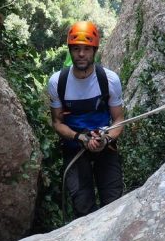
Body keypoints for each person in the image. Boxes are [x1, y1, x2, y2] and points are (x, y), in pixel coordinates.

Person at [47, 21, 125, 217]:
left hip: (104, 145)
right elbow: (57, 122)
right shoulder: (58, 82)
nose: (81, 54)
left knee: (114, 203)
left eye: (86, 49)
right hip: (75, 148)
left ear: (94, 50)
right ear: (70, 51)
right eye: (76, 49)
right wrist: (80, 138)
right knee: (83, 208)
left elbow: (118, 120)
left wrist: (106, 139)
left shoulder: (109, 80)